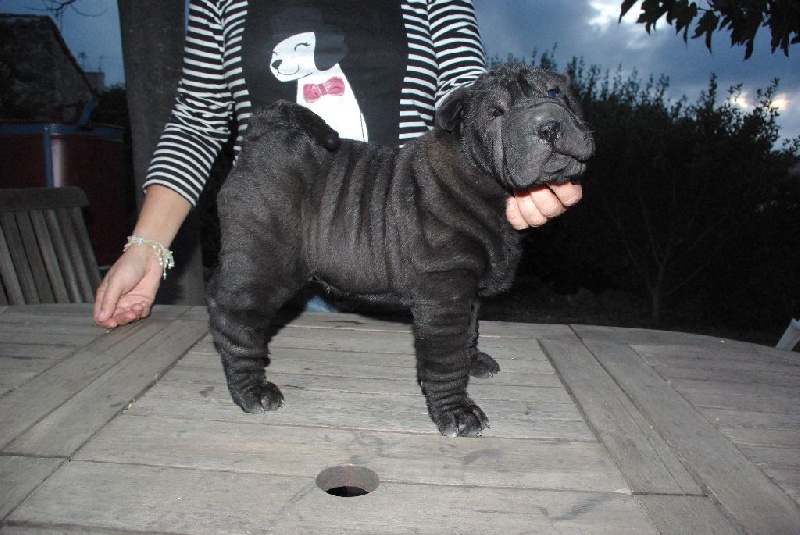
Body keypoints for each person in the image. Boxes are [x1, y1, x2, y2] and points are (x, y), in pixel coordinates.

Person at [93, 0, 583, 329]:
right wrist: (147, 246)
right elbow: (196, 123)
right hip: (277, 274)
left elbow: (469, 95)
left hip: (417, 265)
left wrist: (520, 155)